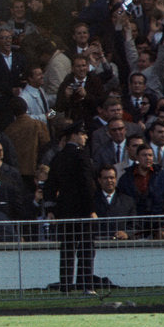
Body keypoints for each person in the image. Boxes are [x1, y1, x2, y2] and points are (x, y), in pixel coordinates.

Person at [44, 122, 98, 295]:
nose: (86, 137)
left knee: (67, 248)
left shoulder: (58, 157)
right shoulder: (81, 156)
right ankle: (86, 285)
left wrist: (50, 209)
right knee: (86, 248)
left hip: (64, 209)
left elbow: (50, 186)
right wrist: (91, 209)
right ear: (74, 135)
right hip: (82, 209)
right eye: (83, 134)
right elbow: (87, 184)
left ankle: (65, 286)